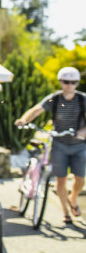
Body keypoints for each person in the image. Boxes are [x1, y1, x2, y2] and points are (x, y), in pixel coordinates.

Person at [14, 67, 86, 224]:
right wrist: (23, 120)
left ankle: (72, 199)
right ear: (61, 82)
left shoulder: (82, 99)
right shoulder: (54, 99)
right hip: (59, 144)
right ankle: (66, 212)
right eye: (66, 82)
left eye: (73, 82)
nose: (69, 85)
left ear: (77, 84)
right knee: (61, 179)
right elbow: (36, 110)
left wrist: (83, 132)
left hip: (79, 145)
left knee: (80, 179)